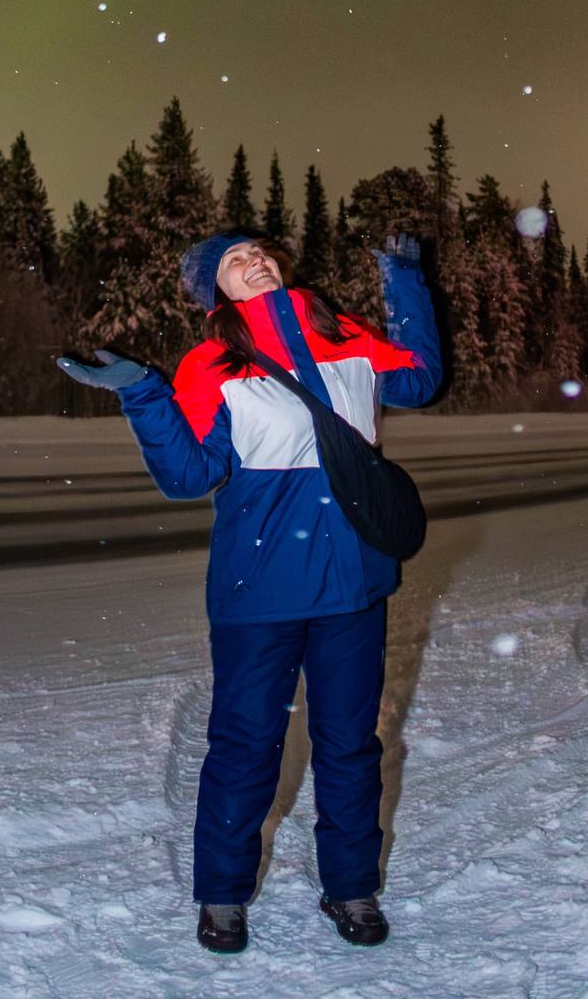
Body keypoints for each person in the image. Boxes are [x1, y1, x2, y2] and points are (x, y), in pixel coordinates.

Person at [58, 227, 442, 955]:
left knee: (349, 745)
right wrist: (142, 391)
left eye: (259, 252)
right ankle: (224, 895)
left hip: (355, 579)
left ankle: (352, 886)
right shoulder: (210, 364)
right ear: (216, 292)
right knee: (244, 746)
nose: (253, 262)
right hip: (258, 586)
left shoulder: (348, 336)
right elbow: (188, 476)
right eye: (234, 262)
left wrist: (405, 280)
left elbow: (420, 378)